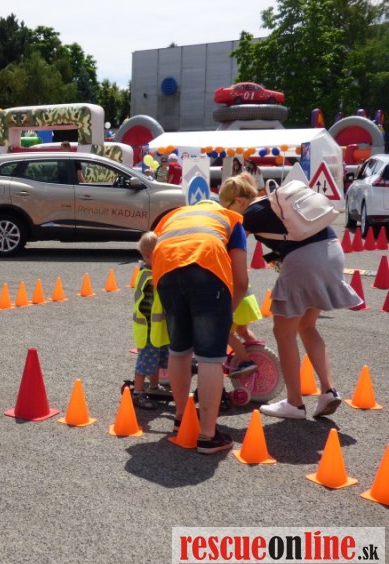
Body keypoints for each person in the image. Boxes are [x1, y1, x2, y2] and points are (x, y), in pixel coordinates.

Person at [242, 177, 362, 420]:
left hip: (303, 260)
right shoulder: (279, 203)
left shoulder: (250, 214)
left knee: (283, 332)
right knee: (307, 325)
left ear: (238, 200)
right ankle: (328, 390)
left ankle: (294, 403)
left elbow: (235, 245)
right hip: (332, 250)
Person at [152, 198, 249, 454]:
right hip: (206, 268)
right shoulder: (230, 219)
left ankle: (181, 419)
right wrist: (226, 313)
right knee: (210, 358)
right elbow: (241, 280)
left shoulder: (174, 216)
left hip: (165, 269)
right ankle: (207, 434)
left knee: (179, 350)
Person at [218, 176, 265, 378]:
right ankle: (260, 357)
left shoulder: (231, 225)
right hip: (245, 294)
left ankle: (246, 361)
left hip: (235, 294)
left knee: (225, 332)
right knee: (243, 332)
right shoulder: (238, 224)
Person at [129, 232, 170, 409]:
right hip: (147, 330)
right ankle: (138, 392)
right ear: (148, 256)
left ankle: (154, 387)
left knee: (157, 360)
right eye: (161, 255)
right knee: (146, 362)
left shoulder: (153, 271)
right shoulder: (148, 275)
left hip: (157, 329)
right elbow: (162, 283)